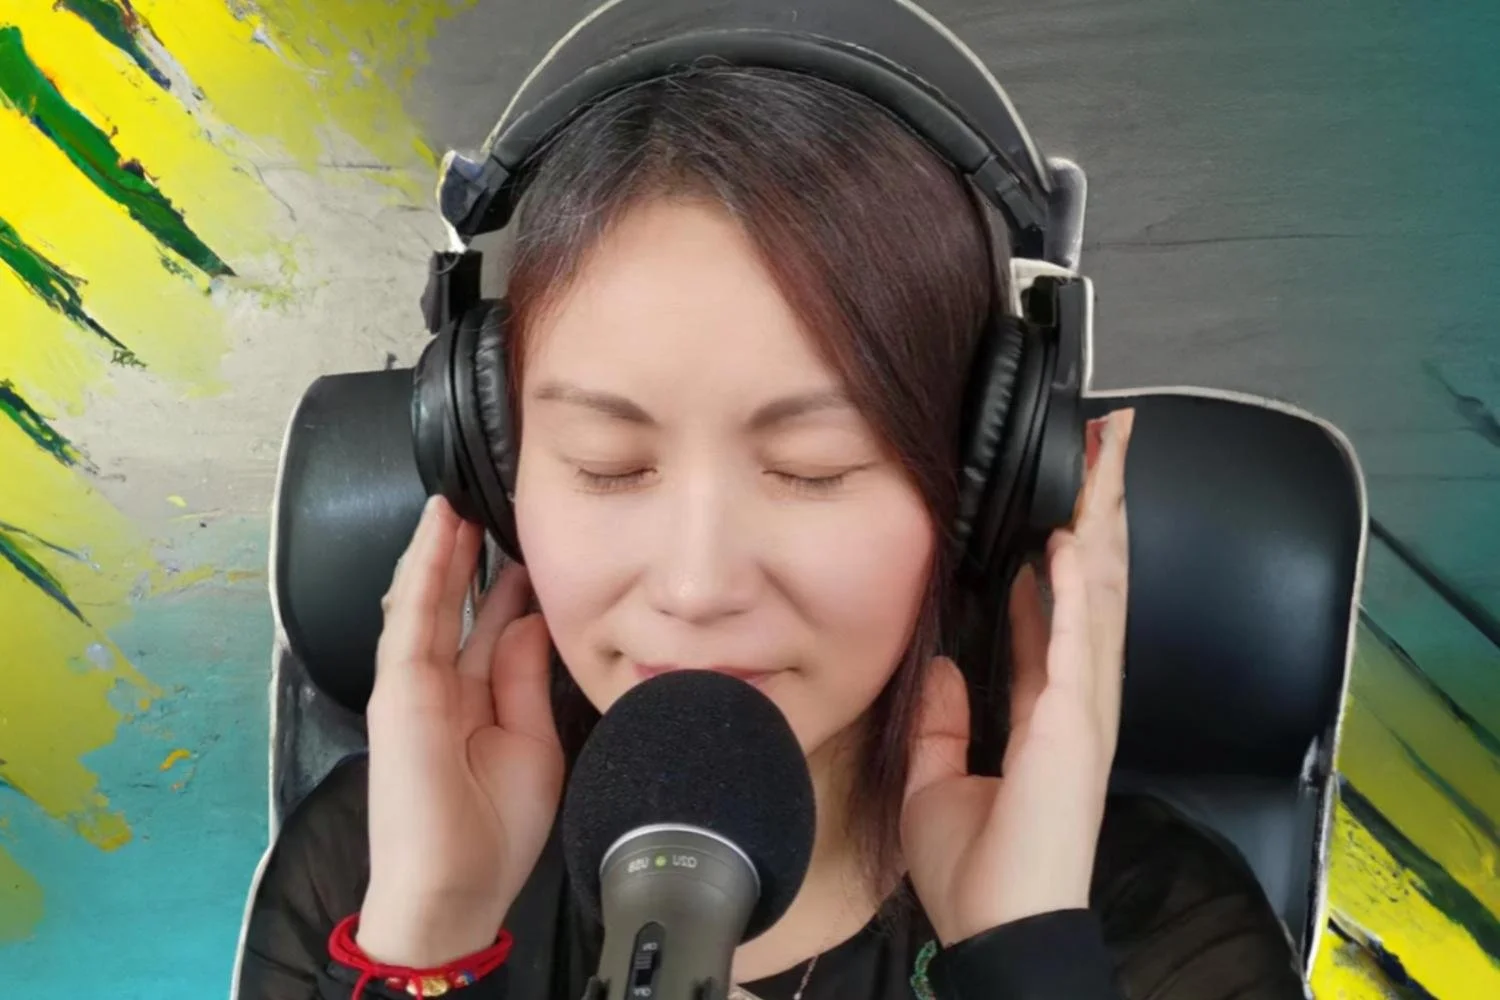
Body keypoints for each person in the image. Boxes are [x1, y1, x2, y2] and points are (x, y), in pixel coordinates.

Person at [236, 63, 1306, 1000]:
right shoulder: (378, 867)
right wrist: (427, 950)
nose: (697, 586)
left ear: (983, 488)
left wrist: (1029, 965)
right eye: (609, 466)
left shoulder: (1156, 933)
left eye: (812, 470)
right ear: (489, 460)